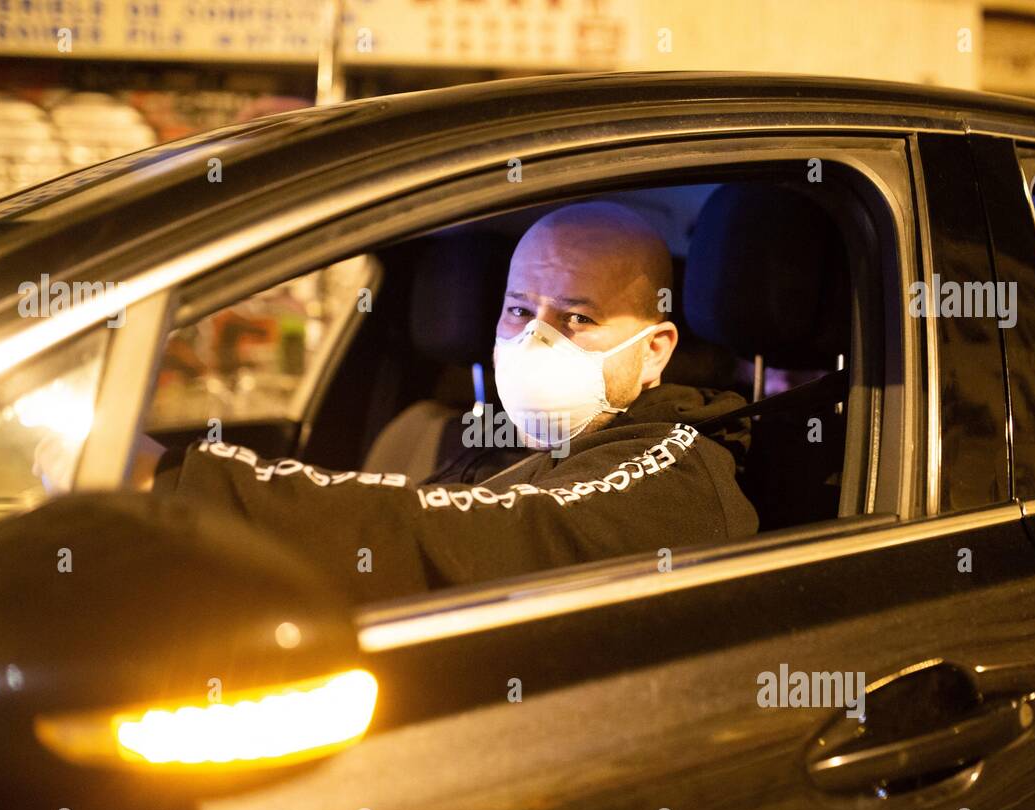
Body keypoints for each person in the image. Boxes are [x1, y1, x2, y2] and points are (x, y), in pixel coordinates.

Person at [42, 202, 758, 602]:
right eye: (517, 311)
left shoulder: (678, 476)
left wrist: (177, 484)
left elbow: (458, 534)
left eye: (576, 318)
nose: (536, 340)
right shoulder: (486, 440)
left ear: (656, 348)